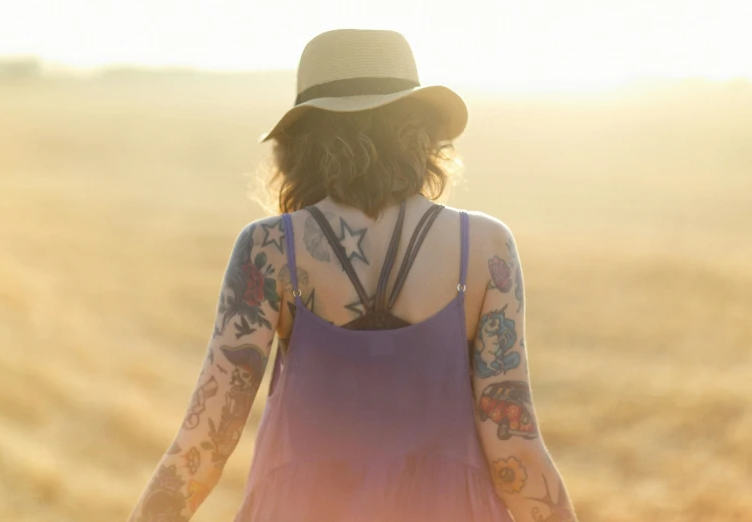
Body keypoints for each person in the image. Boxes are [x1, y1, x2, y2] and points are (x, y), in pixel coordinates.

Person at [127, 28, 577, 522]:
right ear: (422, 132)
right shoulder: (487, 248)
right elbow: (515, 450)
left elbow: (205, 443)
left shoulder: (268, 249)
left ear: (302, 142)